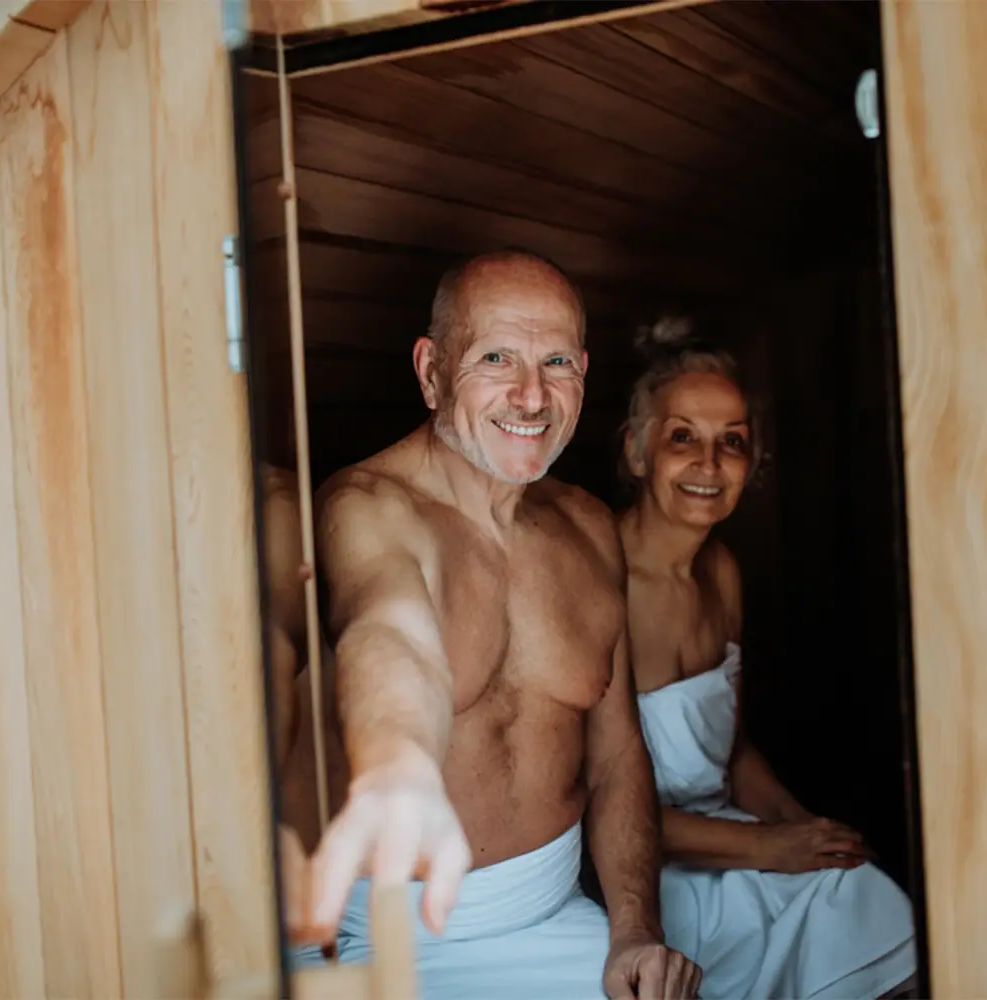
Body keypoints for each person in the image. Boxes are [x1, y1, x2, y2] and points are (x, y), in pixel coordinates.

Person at [281, 250, 702, 1000]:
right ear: (432, 370)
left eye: (556, 363)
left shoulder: (590, 526)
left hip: (553, 918)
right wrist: (399, 763)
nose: (531, 395)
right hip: (380, 941)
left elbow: (615, 755)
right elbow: (391, 627)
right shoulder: (365, 509)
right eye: (496, 358)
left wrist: (635, 929)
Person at [617, 315, 918, 999]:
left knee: (867, 892)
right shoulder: (596, 583)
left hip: (730, 835)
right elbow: (596, 807)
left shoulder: (721, 572)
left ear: (753, 467)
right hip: (641, 870)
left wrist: (799, 826)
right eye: (682, 438)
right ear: (637, 452)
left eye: (733, 443)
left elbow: (732, 747)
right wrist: (769, 849)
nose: (708, 463)